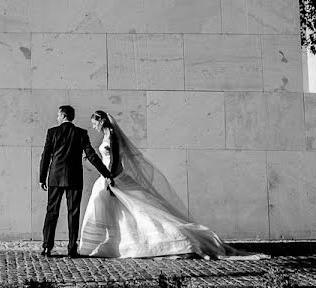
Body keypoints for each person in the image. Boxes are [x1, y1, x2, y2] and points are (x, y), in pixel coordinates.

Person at [78, 110, 265, 259]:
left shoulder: (111, 135)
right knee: (121, 212)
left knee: (139, 210)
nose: (93, 126)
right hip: (108, 176)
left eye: (94, 122)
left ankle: (170, 239)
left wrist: (110, 178)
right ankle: (111, 242)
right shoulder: (105, 136)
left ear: (101, 120)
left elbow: (115, 159)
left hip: (113, 177)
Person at [38, 105, 111, 258]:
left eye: (58, 115)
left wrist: (42, 177)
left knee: (52, 212)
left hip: (55, 177)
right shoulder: (80, 133)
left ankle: (47, 246)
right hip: (74, 177)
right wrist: (106, 173)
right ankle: (72, 249)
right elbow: (91, 155)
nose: (57, 117)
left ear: (63, 115)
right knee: (74, 213)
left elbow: (46, 156)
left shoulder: (52, 132)